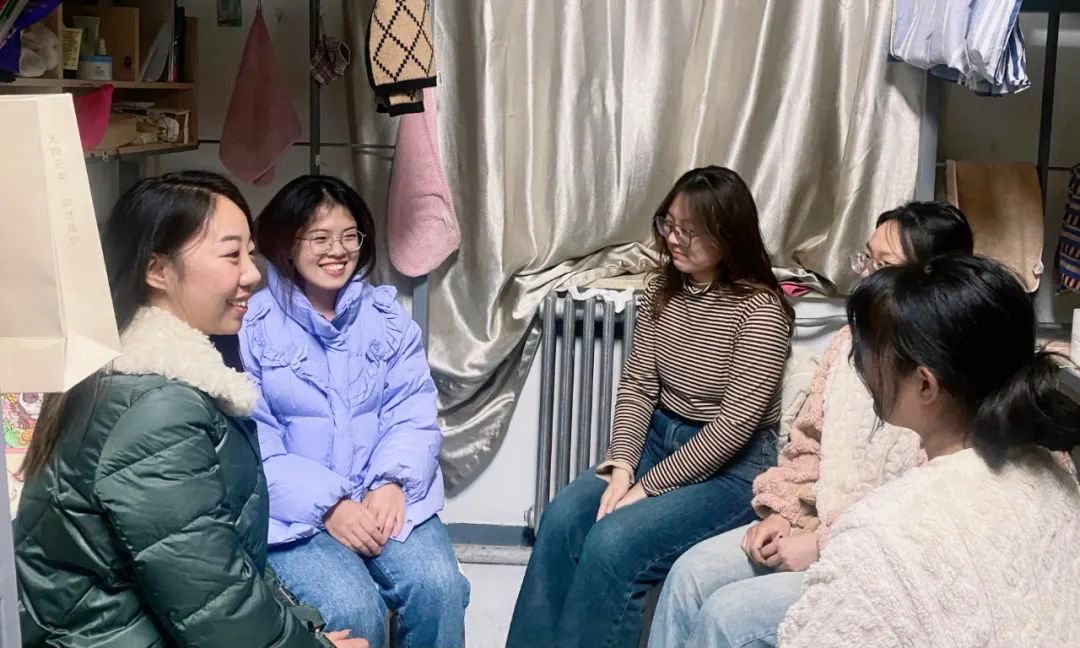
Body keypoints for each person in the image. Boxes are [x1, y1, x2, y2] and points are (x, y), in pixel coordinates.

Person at [14, 171, 365, 647]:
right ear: (157, 270)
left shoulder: (136, 374)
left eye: (250, 254)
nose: (252, 274)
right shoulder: (156, 411)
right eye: (231, 255)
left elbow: (219, 569)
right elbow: (217, 610)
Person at [649, 201, 974, 648]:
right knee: (689, 574)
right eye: (866, 260)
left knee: (728, 616)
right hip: (811, 525)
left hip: (868, 559)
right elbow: (807, 443)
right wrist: (781, 513)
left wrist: (823, 545)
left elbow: (919, 518)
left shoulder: (947, 381)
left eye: (884, 266)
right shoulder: (847, 345)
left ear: (935, 280)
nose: (867, 277)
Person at [506, 166, 794, 648]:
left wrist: (645, 488)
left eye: (689, 230)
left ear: (728, 234)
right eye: (669, 224)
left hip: (733, 468)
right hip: (660, 441)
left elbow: (732, 427)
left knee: (613, 542)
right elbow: (638, 386)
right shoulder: (664, 290)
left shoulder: (761, 310)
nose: (674, 239)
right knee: (562, 518)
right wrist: (622, 467)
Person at [779, 254, 1080, 646]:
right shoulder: (1053, 472)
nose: (859, 361)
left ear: (926, 385)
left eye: (871, 348)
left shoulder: (880, 534)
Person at [238, 175, 469, 648]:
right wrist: (328, 505)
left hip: (383, 496)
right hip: (293, 515)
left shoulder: (386, 317)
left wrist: (392, 481)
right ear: (286, 244)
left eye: (349, 236)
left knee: (440, 589)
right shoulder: (250, 327)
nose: (338, 251)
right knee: (352, 610)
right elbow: (255, 446)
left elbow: (412, 410)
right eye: (320, 238)